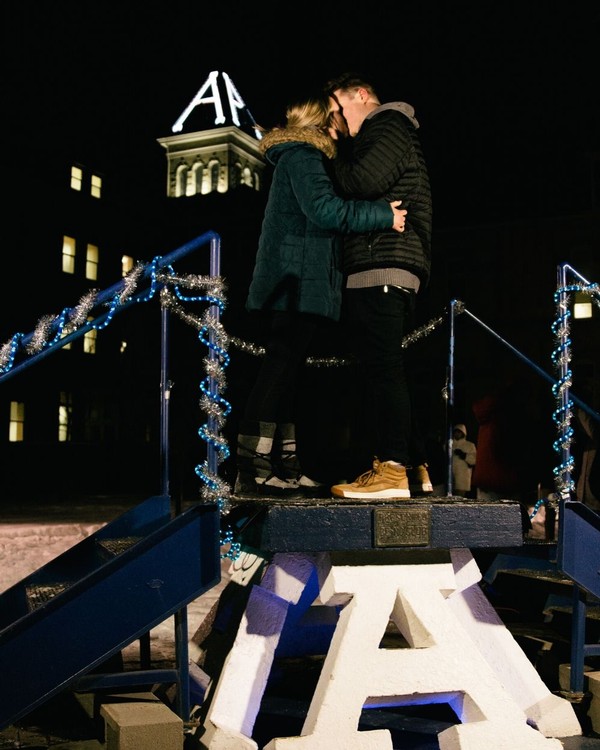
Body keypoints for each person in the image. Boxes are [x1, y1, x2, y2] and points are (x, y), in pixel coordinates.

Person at [234, 93, 408, 497]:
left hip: (299, 283)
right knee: (279, 372)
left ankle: (284, 467)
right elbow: (326, 211)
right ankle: (253, 469)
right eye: (335, 117)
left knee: (289, 374)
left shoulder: (301, 156)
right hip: (295, 284)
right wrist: (384, 213)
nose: (341, 124)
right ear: (321, 119)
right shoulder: (303, 155)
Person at [323, 72, 433, 499]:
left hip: (383, 261)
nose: (335, 117)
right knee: (390, 369)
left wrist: (330, 152)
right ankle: (415, 465)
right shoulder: (388, 130)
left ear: (362, 95)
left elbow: (361, 182)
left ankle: (390, 471)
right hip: (387, 262)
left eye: (338, 106)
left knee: (382, 370)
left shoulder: (387, 124)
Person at [450, 423, 477, 497]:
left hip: (462, 480)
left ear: (463, 433)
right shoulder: (449, 444)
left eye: (459, 432)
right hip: (450, 480)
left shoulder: (469, 445)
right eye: (456, 432)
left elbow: (474, 460)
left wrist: (464, 455)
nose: (457, 434)